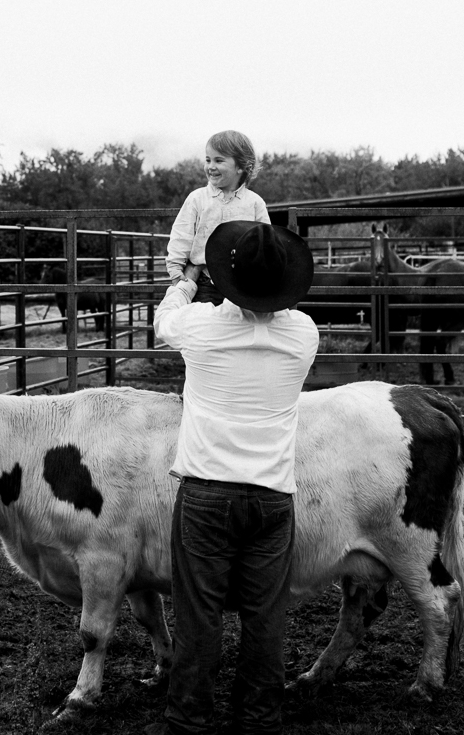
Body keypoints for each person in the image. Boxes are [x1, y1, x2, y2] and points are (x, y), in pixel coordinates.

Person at [150, 220, 319, 735]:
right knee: (265, 616)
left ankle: (189, 719)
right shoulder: (303, 334)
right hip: (272, 497)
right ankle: (260, 718)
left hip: (206, 493)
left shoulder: (200, 327)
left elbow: (163, 323)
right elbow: (270, 317)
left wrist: (186, 280)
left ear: (227, 278)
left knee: (198, 614)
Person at [166, 130, 270, 305]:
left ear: (241, 166)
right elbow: (181, 235)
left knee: (236, 328)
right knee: (204, 326)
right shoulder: (197, 199)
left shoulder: (254, 203)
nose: (210, 166)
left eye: (219, 160)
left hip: (242, 282)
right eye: (208, 160)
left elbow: (265, 241)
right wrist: (175, 269)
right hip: (204, 282)